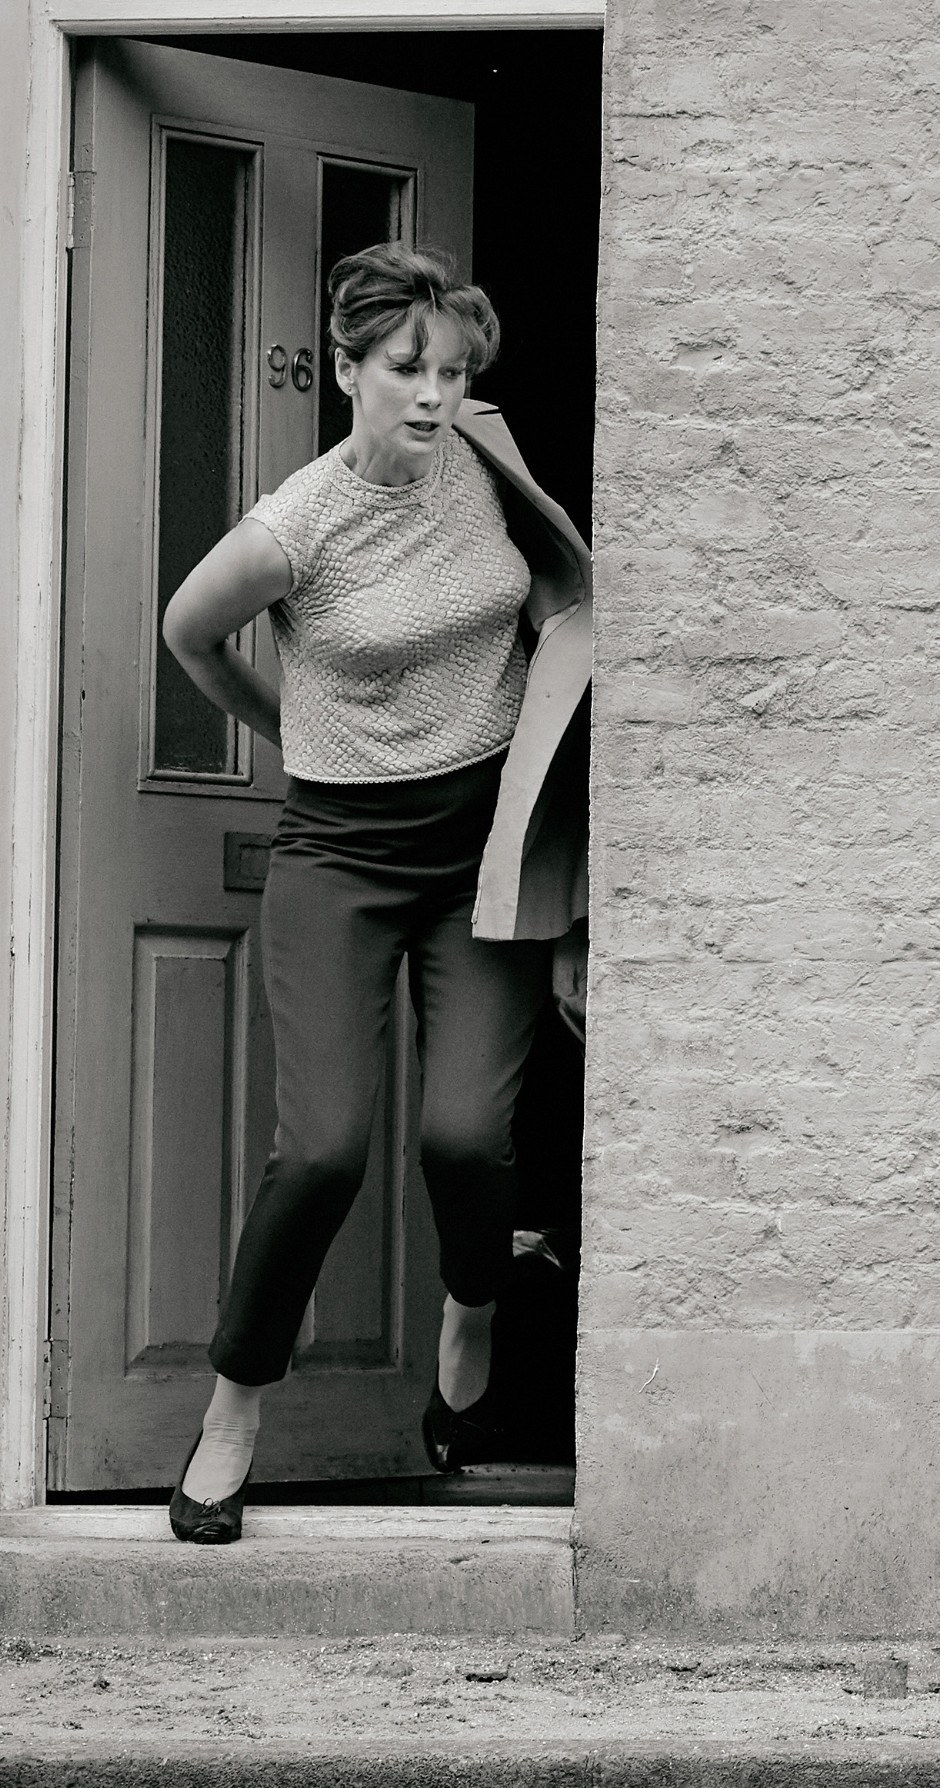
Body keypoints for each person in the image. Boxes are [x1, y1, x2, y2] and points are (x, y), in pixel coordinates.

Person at [154, 241, 592, 1543]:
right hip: (339, 856)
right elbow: (188, 630)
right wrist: (287, 728)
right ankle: (233, 1407)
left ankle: (474, 1292)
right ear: (345, 366)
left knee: (465, 1137)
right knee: (326, 1147)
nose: (432, 394)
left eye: (453, 371)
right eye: (406, 369)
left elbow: (562, 601)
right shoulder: (299, 524)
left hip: (483, 855)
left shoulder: (488, 462)